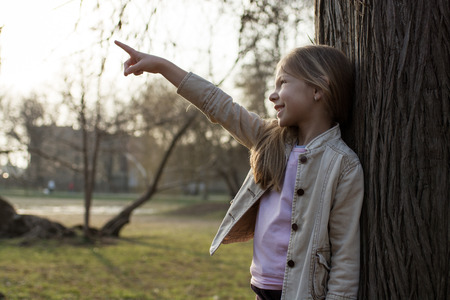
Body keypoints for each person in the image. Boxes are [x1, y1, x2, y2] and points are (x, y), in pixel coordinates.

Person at [115, 40, 364, 300]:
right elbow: (219, 105)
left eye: (284, 83)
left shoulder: (343, 166)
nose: (272, 94)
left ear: (317, 88)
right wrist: (163, 67)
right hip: (260, 288)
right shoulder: (270, 139)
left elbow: (345, 256)